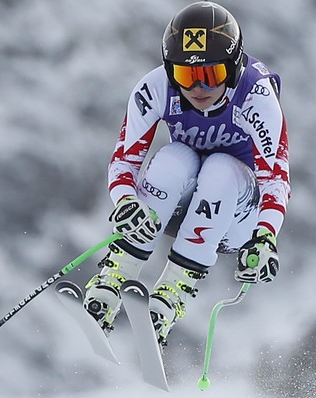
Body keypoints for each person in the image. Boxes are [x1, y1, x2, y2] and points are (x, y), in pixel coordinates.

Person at [83, 1, 290, 347]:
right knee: (173, 157)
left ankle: (172, 294)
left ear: (234, 67)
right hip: (178, 208)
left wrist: (265, 236)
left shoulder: (256, 96)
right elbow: (124, 161)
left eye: (211, 74)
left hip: (236, 219)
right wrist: (126, 201)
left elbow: (275, 179)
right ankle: (113, 278)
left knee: (220, 167)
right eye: (185, 75)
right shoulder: (155, 90)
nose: (198, 88)